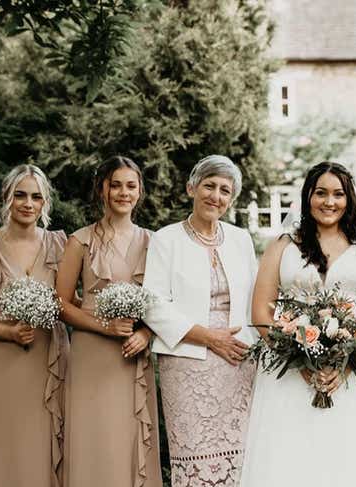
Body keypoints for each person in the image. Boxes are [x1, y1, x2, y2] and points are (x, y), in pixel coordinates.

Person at [240, 162, 356, 487]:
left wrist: (349, 359)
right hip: (289, 374)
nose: (329, 201)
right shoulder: (282, 246)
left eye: (338, 194)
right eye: (321, 193)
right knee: (292, 459)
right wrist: (297, 358)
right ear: (307, 196)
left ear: (349, 199)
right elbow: (261, 311)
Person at [143, 155, 258, 487]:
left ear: (231, 199)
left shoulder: (241, 239)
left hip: (238, 359)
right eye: (209, 186)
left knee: (242, 454)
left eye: (225, 190)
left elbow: (255, 298)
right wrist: (209, 337)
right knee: (195, 454)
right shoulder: (166, 239)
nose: (215, 196)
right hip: (187, 359)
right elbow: (153, 304)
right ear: (191, 188)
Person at [0, 164, 68, 487]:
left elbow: (69, 301)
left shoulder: (60, 245)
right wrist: (9, 332)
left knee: (39, 446)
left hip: (47, 361)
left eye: (36, 197)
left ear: (45, 203)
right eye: (20, 195)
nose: (28, 204)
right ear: (7, 197)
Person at [56, 156, 160, 487]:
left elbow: (167, 301)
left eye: (131, 186)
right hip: (91, 355)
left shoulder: (155, 243)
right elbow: (61, 303)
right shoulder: (79, 241)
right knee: (93, 437)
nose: (123, 193)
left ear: (140, 191)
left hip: (133, 353)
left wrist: (146, 333)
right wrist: (105, 326)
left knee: (128, 438)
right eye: (115, 185)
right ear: (102, 189)